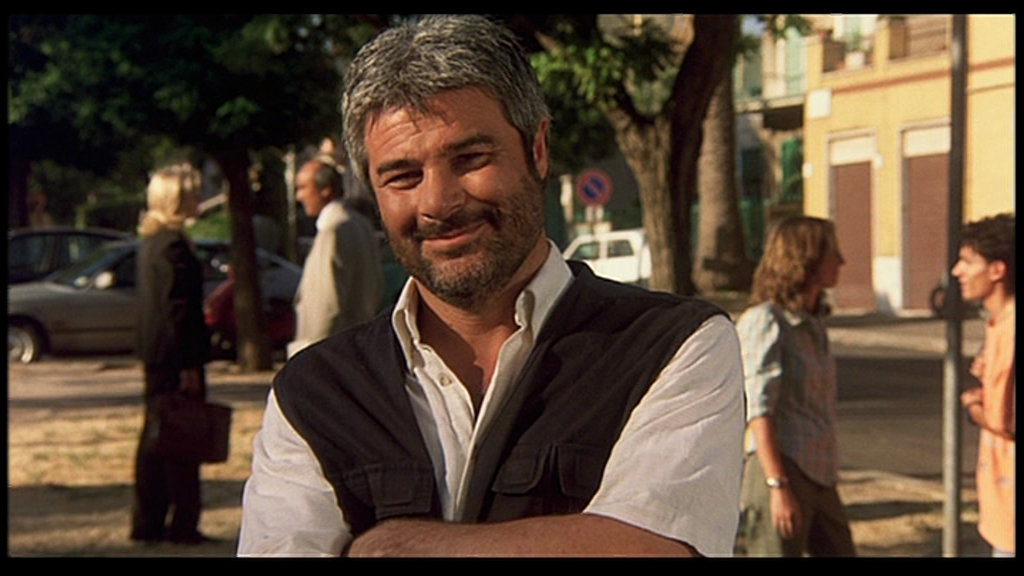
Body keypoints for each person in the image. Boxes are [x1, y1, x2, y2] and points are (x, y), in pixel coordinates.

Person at [238, 15, 744, 557]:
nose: (438, 202)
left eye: (470, 159)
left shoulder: (671, 346)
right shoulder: (313, 395)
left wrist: (394, 545)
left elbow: (654, 549)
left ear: (538, 150)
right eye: (403, 176)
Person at [734, 215, 855, 557]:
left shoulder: (813, 323)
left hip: (819, 472)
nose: (842, 261)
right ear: (806, 259)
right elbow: (759, 410)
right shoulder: (765, 321)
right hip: (781, 471)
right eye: (832, 253)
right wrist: (777, 486)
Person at [131, 164, 212, 545]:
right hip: (174, 358)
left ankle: (149, 521)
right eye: (193, 193)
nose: (199, 199)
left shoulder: (153, 243)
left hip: (158, 356)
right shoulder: (173, 246)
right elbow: (175, 310)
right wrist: (188, 365)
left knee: (156, 440)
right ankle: (181, 523)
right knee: (181, 441)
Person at [953, 213, 1015, 558]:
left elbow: (1006, 421)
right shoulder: (998, 325)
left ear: (997, 270)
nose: (956, 271)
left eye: (967, 261)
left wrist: (972, 405)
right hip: (1002, 507)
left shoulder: (1010, 329)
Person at [287, 153, 384, 357]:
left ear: (326, 189)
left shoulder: (334, 230)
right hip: (358, 346)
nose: (299, 197)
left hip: (331, 353)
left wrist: (312, 359)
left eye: (303, 188)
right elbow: (376, 287)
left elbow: (327, 307)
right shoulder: (361, 224)